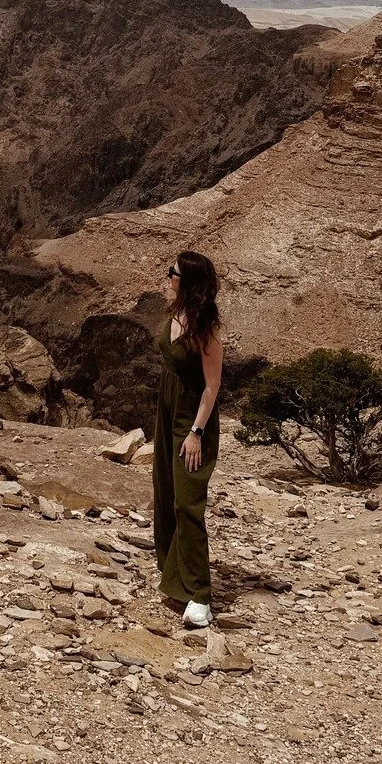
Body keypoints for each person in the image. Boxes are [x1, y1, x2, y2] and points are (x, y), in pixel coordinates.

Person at [153, 249, 224, 628]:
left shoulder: (205, 328)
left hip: (191, 421)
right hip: (166, 414)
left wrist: (196, 433)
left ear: (189, 282)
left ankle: (200, 596)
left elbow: (212, 386)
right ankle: (173, 573)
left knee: (187, 504)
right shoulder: (175, 314)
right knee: (166, 494)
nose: (168, 278)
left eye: (173, 273)